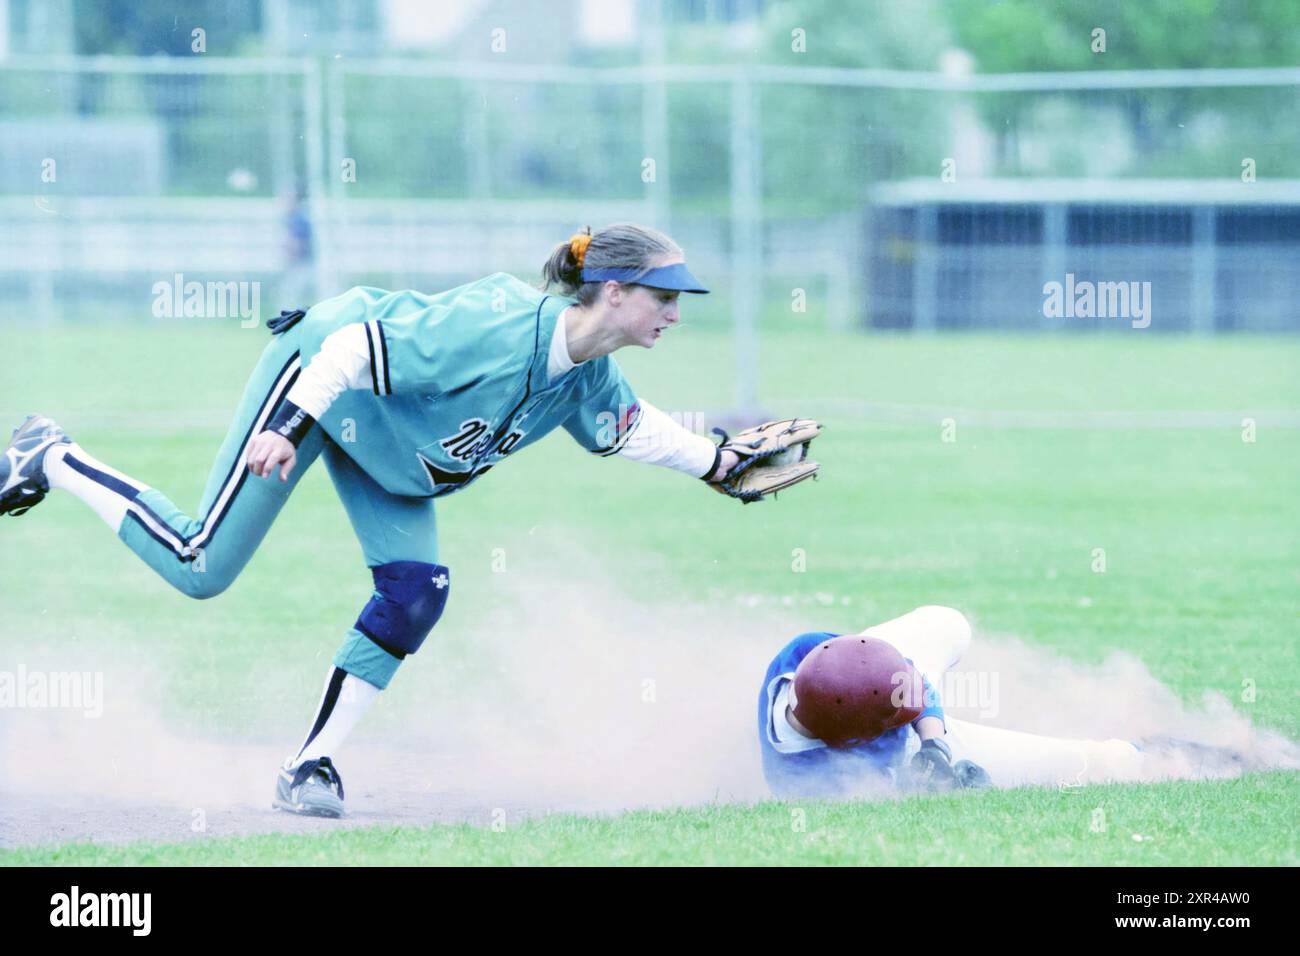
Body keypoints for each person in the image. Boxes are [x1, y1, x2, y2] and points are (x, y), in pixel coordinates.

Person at [2, 223, 753, 818]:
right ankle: (53, 456)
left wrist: (715, 464)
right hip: (323, 378)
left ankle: (308, 766)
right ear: (614, 292)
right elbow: (355, 347)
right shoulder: (500, 322)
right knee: (202, 565)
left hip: (390, 447)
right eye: (665, 296)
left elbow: (630, 428)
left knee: (416, 591)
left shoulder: (589, 372)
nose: (676, 314)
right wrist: (289, 427)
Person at [759, 605, 1147, 799]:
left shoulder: (806, 654)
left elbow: (899, 678)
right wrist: (943, 785)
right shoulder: (815, 781)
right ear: (855, 739)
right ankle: (1155, 753)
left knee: (947, 622)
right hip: (904, 751)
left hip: (916, 741)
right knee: (1102, 761)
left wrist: (933, 744)